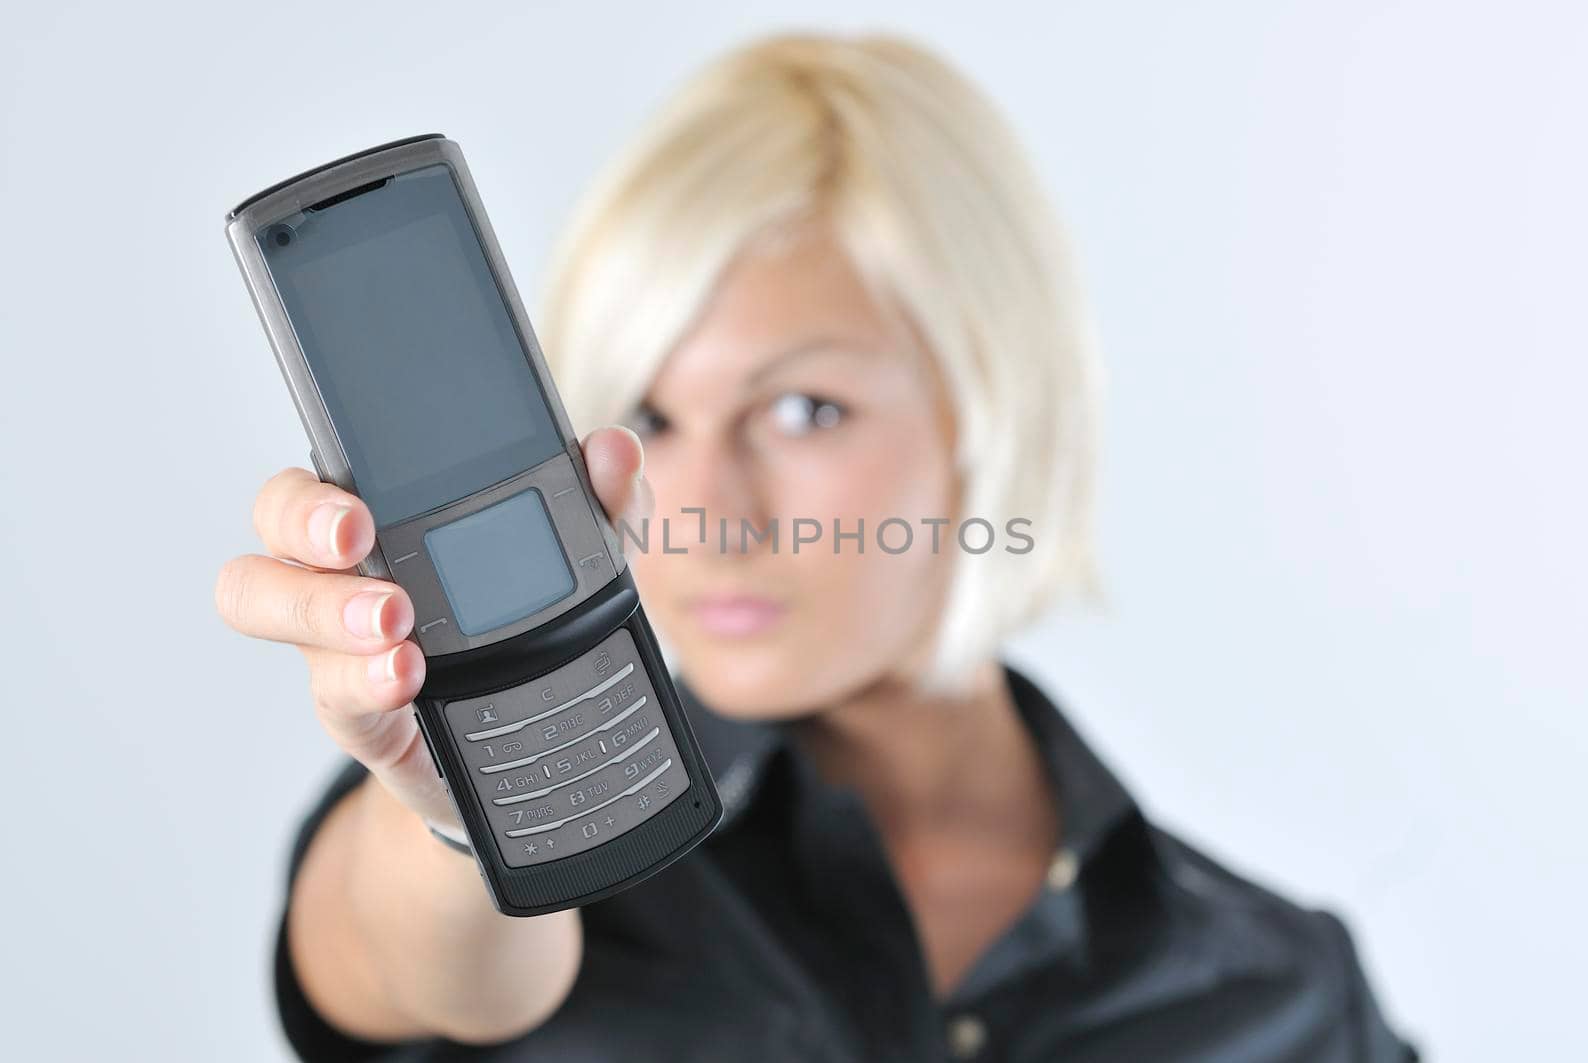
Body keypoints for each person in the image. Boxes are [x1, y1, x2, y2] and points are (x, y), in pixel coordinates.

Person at [216, 32, 1418, 1062]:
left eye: (802, 411)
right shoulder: (537, 852)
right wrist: (453, 820)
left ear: (990, 410)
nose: (704, 512)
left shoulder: (1287, 995)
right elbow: (420, 962)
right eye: (651, 417)